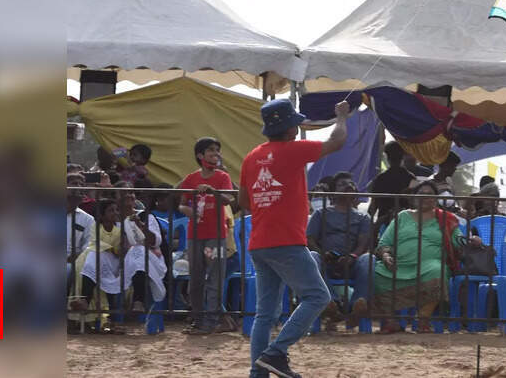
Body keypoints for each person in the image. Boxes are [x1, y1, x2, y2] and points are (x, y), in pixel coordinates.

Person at [240, 98, 349, 378]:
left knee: (265, 314)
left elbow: (244, 201)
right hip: (286, 240)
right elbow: (336, 141)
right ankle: (276, 353)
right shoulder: (292, 150)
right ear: (290, 129)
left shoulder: (252, 156)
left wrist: (270, 206)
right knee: (318, 296)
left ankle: (258, 372)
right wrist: (341, 117)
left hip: (260, 241)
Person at [353, 179, 477, 334]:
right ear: (414, 198)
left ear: (436, 199)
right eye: (421, 194)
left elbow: (459, 242)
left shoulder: (446, 219)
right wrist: (386, 256)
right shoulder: (403, 216)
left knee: (437, 271)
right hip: (399, 265)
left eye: (430, 195)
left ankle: (422, 320)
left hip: (429, 266)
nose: (425, 197)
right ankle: (390, 320)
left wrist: (472, 242)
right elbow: (384, 243)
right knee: (375, 272)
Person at [175, 137, 237, 334]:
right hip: (195, 235)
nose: (215, 153)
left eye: (217, 150)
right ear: (200, 155)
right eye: (211, 150)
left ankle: (212, 321)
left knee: (215, 277)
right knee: (196, 278)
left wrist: (213, 191)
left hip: (215, 235)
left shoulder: (222, 177)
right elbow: (181, 203)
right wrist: (188, 211)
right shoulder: (191, 178)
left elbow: (228, 200)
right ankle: (197, 319)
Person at [306, 172, 373, 320]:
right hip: (326, 262)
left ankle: (357, 304)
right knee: (312, 257)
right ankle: (331, 302)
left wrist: (352, 256)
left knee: (369, 259)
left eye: (351, 184)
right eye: (342, 184)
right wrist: (323, 254)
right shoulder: (320, 213)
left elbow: (363, 244)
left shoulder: (363, 217)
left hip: (352, 263)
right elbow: (310, 240)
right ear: (333, 192)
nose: (348, 186)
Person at [68, 199, 124, 333]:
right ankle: (84, 320)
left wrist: (113, 251)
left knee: (105, 281)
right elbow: (94, 243)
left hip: (111, 262)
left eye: (116, 210)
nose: (115, 213)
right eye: (111, 210)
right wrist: (113, 249)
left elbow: (121, 250)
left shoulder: (119, 230)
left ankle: (103, 320)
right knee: (88, 272)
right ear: (102, 215)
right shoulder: (95, 226)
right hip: (89, 259)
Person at [115, 183, 170, 313]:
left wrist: (140, 225)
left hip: (150, 260)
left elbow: (156, 242)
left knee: (138, 251)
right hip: (118, 259)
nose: (129, 195)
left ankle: (138, 300)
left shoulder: (146, 216)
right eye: (124, 192)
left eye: (131, 192)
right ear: (115, 198)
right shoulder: (109, 217)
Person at [365, 141, 416, 231]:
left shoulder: (380, 178)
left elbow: (373, 205)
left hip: (383, 222)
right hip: (406, 221)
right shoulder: (411, 177)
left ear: (387, 157)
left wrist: (370, 226)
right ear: (402, 157)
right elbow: (414, 203)